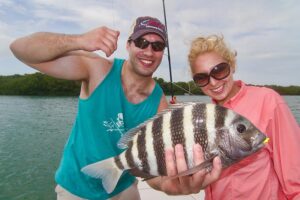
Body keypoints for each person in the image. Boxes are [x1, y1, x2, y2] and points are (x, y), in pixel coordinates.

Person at [10, 16, 221, 200]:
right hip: (75, 188)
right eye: (142, 42)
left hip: (124, 187)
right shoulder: (97, 70)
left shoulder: (159, 103)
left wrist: (170, 186)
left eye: (157, 46)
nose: (149, 51)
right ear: (128, 45)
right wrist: (79, 41)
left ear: (162, 53)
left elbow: (154, 169)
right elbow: (19, 49)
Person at [188, 34, 300, 199]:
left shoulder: (268, 101)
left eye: (219, 70)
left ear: (232, 65)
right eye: (202, 77)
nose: (213, 82)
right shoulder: (202, 117)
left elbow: (295, 174)